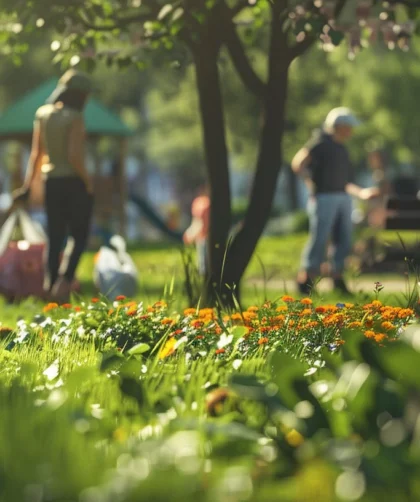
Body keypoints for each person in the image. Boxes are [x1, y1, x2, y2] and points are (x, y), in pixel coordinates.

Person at [13, 70, 94, 302]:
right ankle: (64, 282)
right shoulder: (75, 117)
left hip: (52, 182)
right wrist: (88, 184)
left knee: (55, 234)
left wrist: (29, 186)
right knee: (79, 235)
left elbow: (36, 154)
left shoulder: (43, 114)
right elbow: (75, 157)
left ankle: (49, 284)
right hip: (74, 182)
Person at [292, 107, 379, 295]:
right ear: (338, 126)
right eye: (348, 127)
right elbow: (298, 164)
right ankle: (307, 278)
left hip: (343, 198)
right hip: (323, 198)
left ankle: (337, 277)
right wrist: (311, 183)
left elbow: (346, 182)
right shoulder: (319, 144)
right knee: (320, 238)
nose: (351, 131)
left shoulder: (342, 150)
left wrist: (362, 193)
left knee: (344, 238)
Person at [183, 186, 210, 276]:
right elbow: (197, 221)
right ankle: (204, 275)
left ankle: (205, 274)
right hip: (202, 235)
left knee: (204, 257)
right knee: (202, 257)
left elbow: (198, 221)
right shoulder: (200, 203)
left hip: (205, 235)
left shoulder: (203, 203)